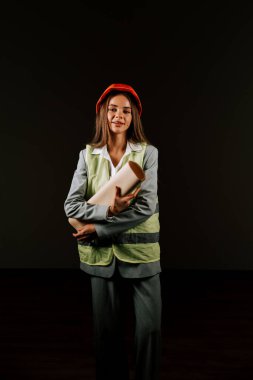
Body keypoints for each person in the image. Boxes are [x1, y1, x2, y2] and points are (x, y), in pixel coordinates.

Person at [64, 83, 162, 380]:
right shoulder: (88, 155)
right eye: (113, 109)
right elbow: (72, 206)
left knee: (150, 329)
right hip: (99, 256)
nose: (119, 115)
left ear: (134, 118)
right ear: (103, 115)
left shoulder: (147, 153)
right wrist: (108, 211)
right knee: (106, 333)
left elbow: (146, 206)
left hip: (141, 253)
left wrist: (98, 228)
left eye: (126, 111)